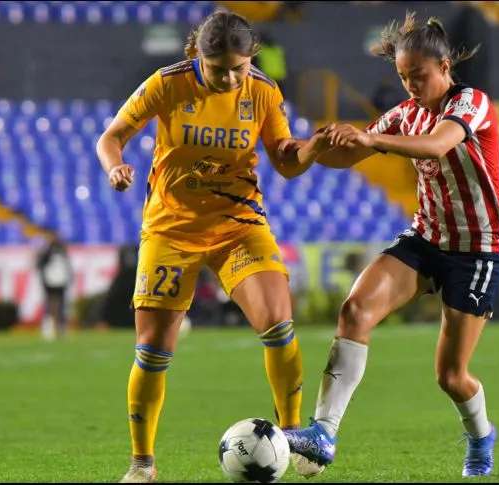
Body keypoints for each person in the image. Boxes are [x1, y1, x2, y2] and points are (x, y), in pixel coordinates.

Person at [95, 11, 326, 483]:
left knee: (279, 322)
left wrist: (313, 148)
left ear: (251, 58)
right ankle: (142, 464)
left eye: (238, 68)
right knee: (153, 350)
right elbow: (111, 137)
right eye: (217, 68)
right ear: (197, 56)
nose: (228, 77)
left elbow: (286, 160)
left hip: (238, 224)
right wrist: (114, 167)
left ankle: (294, 434)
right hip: (171, 229)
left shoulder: (262, 90)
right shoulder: (167, 83)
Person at [283, 12, 499, 478]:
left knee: (450, 377)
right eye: (403, 77)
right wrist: (321, 143)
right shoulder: (404, 114)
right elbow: (354, 153)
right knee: (354, 311)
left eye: (419, 76)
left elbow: (434, 146)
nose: (410, 86)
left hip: (478, 251)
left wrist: (370, 136)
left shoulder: (471, 103)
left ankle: (481, 436)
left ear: (445, 67)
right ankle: (323, 433)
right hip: (425, 238)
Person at [36, 236, 73, 340]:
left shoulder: (50, 253)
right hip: (57, 283)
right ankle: (55, 329)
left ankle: (54, 329)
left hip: (53, 283)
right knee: (56, 306)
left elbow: (39, 266)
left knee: (54, 306)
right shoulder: (60, 253)